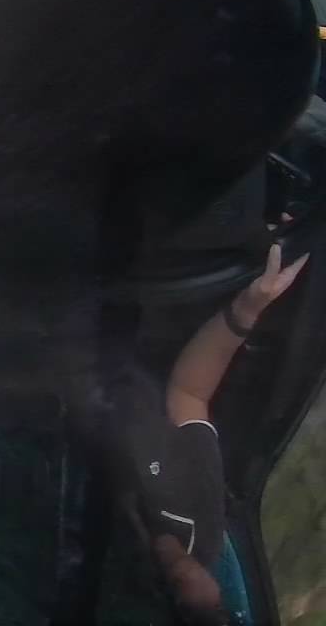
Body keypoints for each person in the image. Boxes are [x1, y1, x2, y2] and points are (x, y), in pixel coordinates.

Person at [112, 242, 308, 625]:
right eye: (220, 613)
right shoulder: (201, 523)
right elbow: (189, 392)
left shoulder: (101, 572)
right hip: (102, 349)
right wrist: (246, 310)